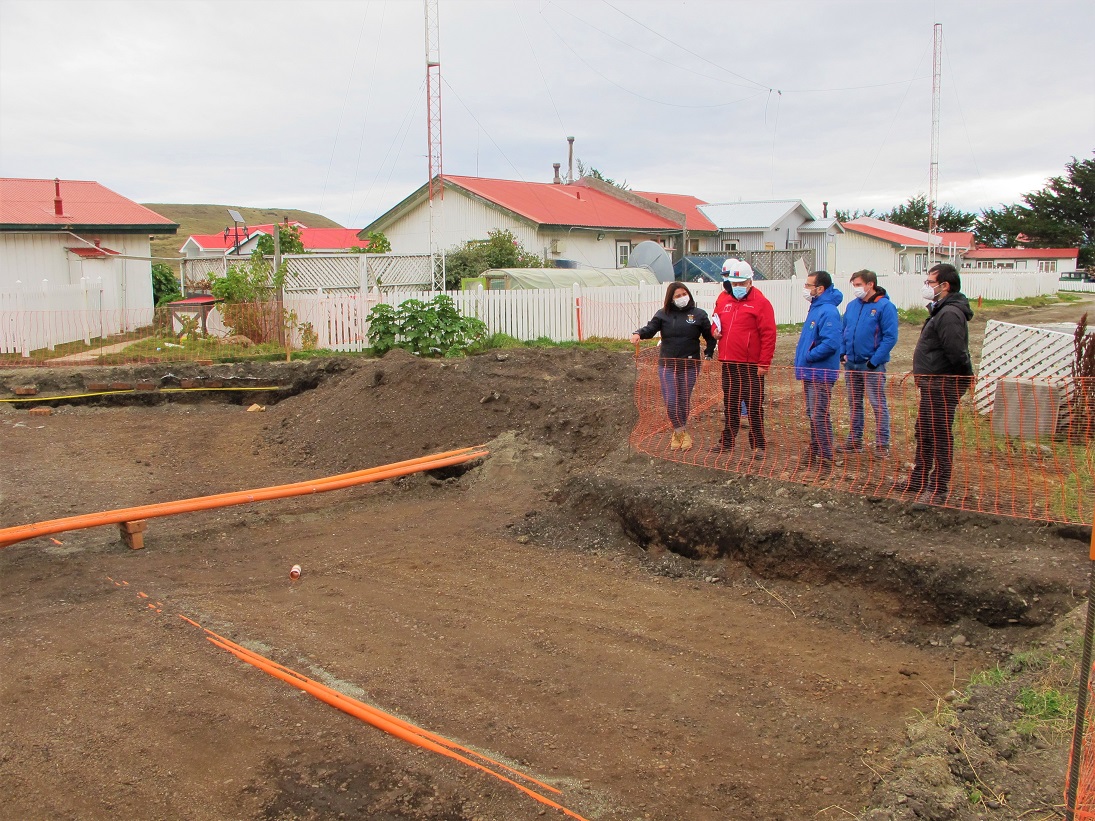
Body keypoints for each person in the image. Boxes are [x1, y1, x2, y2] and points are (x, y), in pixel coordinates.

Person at [904, 263, 974, 504]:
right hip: (932, 383)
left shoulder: (950, 314)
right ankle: (919, 478)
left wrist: (961, 378)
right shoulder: (941, 310)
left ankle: (939, 486)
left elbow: (956, 352)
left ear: (944, 286)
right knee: (924, 431)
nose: (927, 286)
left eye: (930, 282)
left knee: (939, 434)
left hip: (942, 384)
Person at [631, 281, 716, 452]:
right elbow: (651, 328)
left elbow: (711, 337)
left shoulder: (699, 315)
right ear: (670, 299)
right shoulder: (663, 315)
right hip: (668, 365)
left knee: (683, 399)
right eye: (677, 296)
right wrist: (638, 333)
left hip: (690, 365)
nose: (682, 298)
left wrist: (708, 355)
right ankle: (681, 432)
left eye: (684, 294)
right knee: (671, 400)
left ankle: (679, 433)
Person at [710, 259, 776, 457]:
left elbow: (769, 334)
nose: (737, 287)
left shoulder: (761, 303)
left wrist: (764, 363)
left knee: (754, 405)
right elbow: (715, 320)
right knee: (730, 404)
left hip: (751, 365)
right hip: (728, 362)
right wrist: (715, 332)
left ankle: (758, 444)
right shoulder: (723, 300)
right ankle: (727, 441)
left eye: (741, 283)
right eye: (734, 283)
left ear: (750, 282)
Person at [839, 269, 898, 457]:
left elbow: (890, 337)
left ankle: (882, 443)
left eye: (858, 285)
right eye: (854, 285)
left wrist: (875, 360)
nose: (856, 288)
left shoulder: (885, 307)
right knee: (855, 404)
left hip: (871, 365)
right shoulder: (852, 306)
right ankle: (855, 440)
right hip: (852, 364)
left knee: (877, 403)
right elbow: (844, 331)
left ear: (870, 284)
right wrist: (842, 354)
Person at [793, 270, 843, 472]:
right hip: (811, 371)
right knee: (813, 412)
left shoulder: (828, 311)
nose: (806, 289)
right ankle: (816, 449)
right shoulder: (816, 307)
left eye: (808, 285)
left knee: (818, 414)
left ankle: (825, 456)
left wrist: (809, 356)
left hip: (820, 372)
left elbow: (831, 343)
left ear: (820, 289)